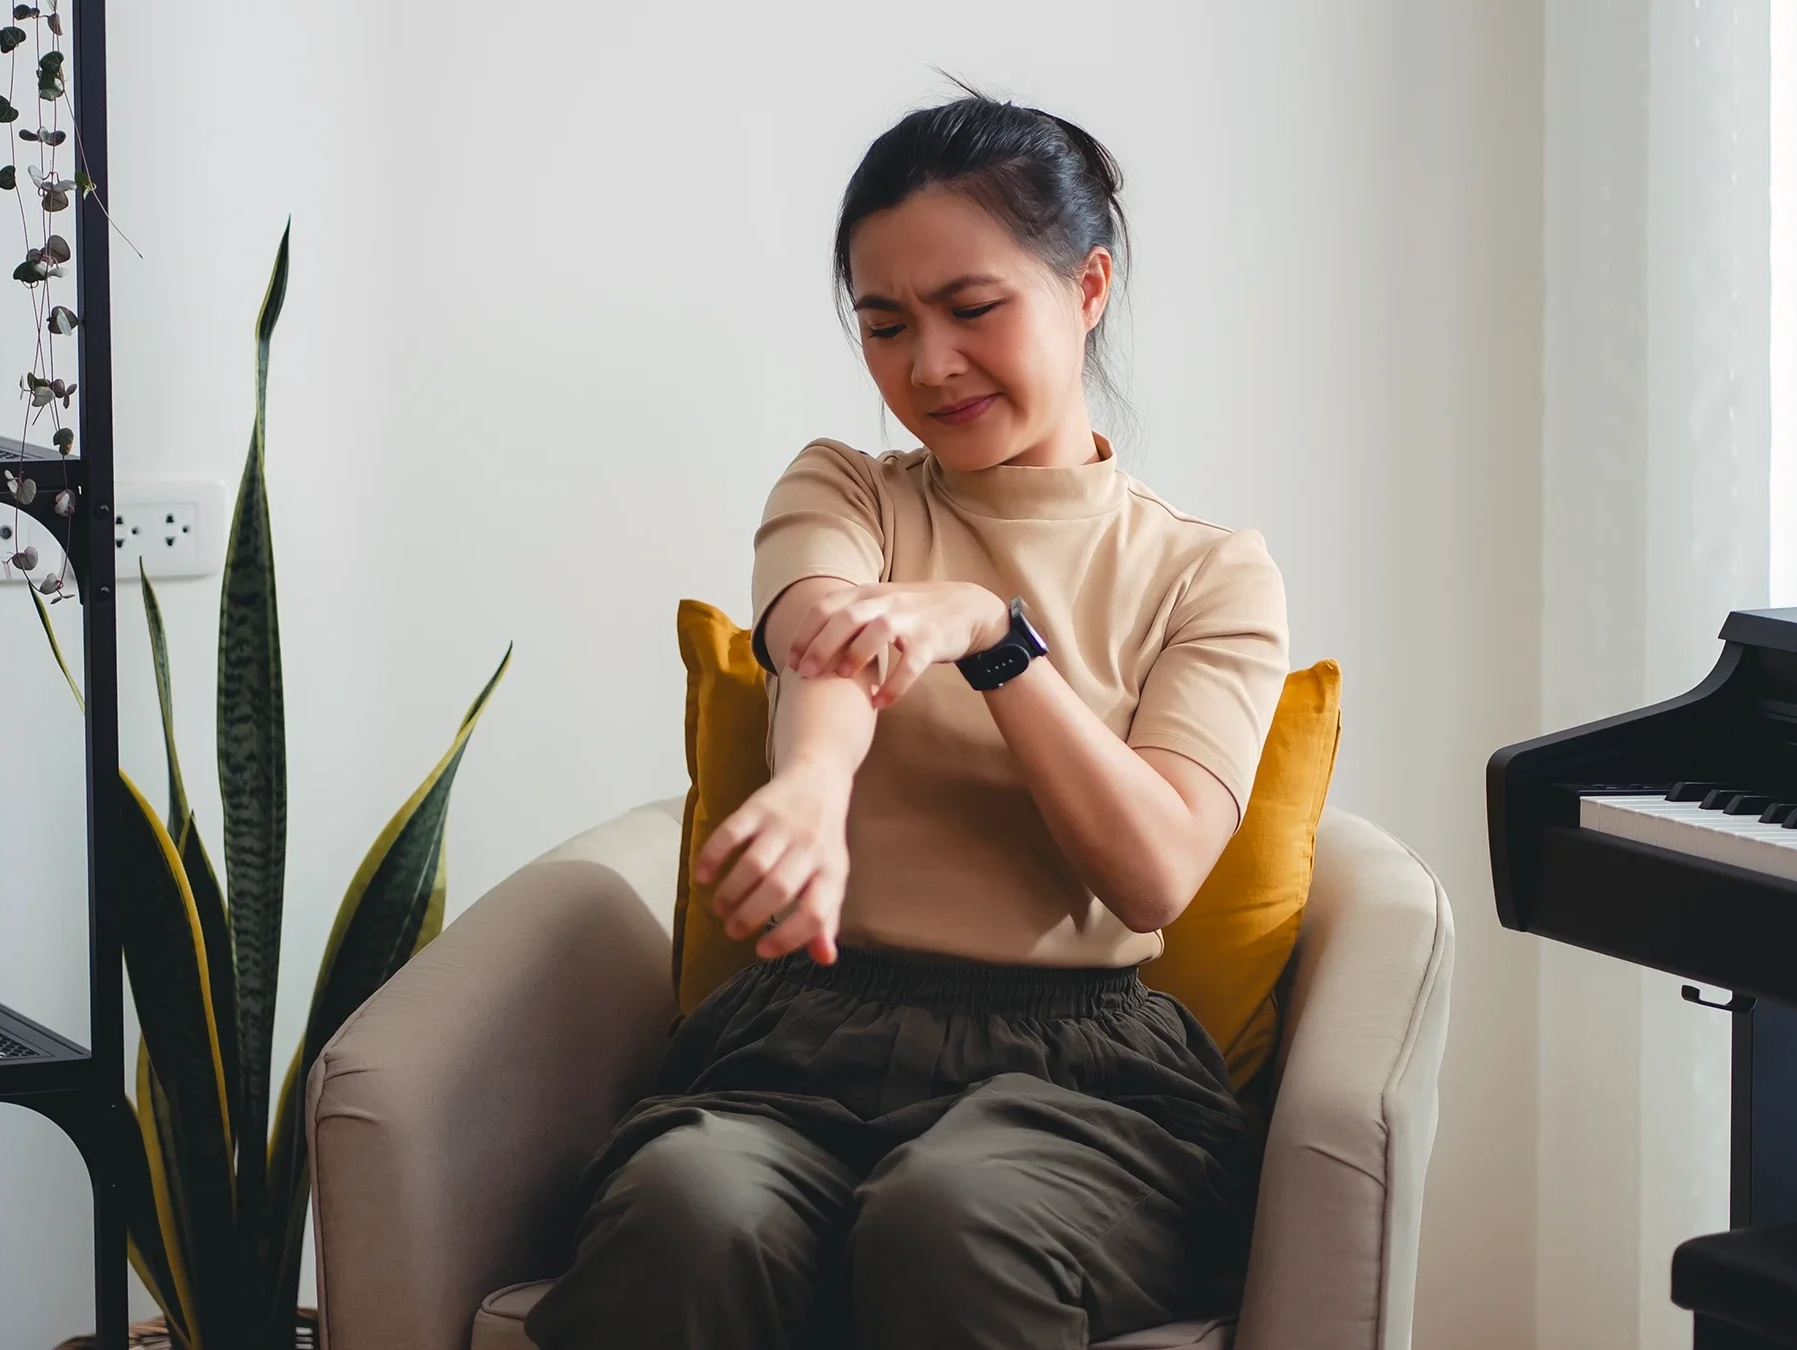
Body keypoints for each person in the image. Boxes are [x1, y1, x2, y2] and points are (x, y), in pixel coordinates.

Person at [526, 87, 1289, 1350]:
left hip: (1079, 1078)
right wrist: (815, 792)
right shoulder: (846, 487)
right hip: (807, 1039)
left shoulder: (1209, 575)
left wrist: (994, 635)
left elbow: (1154, 873)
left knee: (952, 1219)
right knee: (686, 1207)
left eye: (973, 310)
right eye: (885, 326)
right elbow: (823, 633)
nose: (927, 366)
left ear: (1087, 288)